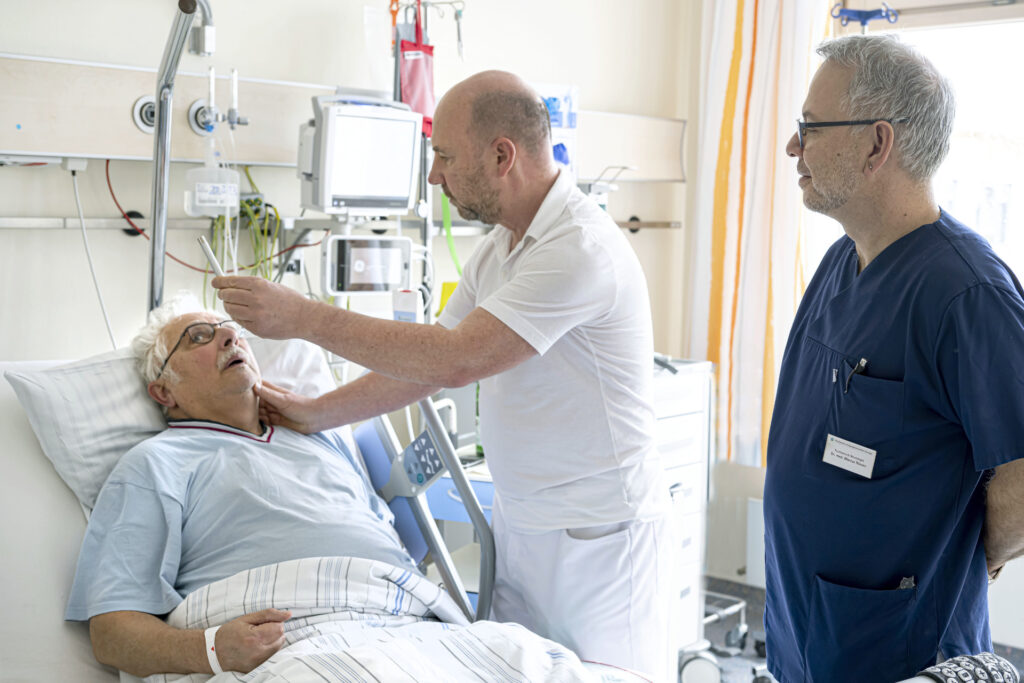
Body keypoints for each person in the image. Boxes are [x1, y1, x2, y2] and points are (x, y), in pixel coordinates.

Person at [212, 70, 677, 680]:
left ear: (501, 155)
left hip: (600, 545)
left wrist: (301, 317)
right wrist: (318, 412)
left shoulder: (577, 249)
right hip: (527, 525)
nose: (434, 176)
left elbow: (458, 357)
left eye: (444, 157)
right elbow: (427, 367)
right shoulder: (503, 247)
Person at [765, 34, 1024, 683]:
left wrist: (956, 557)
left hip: (898, 647)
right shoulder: (839, 261)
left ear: (877, 143)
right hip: (807, 630)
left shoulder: (967, 293)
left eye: (810, 127)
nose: (794, 147)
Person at [66, 298, 417, 677]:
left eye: (231, 328)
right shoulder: (155, 463)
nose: (230, 336)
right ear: (164, 393)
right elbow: (111, 632)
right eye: (198, 337)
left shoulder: (319, 437)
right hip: (288, 645)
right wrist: (212, 650)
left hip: (408, 628)